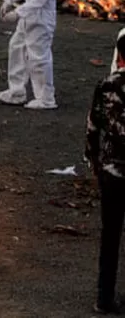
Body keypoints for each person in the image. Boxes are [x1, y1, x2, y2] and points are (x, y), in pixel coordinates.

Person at [85, 33, 125, 314]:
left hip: (112, 172)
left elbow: (93, 127)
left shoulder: (106, 85)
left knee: (110, 237)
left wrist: (94, 162)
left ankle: (104, 297)